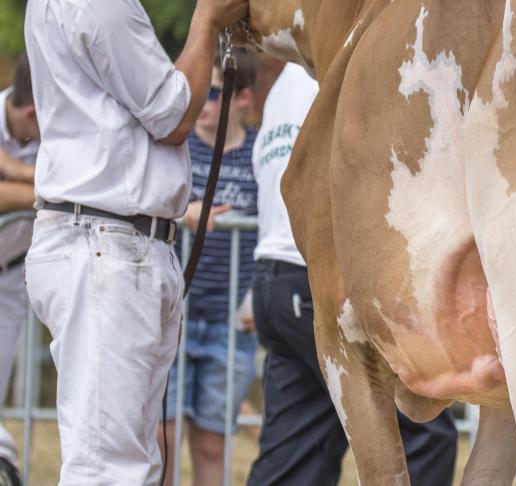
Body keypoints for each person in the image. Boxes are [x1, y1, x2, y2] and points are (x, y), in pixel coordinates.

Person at [23, 0, 247, 483]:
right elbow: (172, 115)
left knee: (128, 461)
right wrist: (206, 19)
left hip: (113, 241)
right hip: (108, 243)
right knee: (111, 467)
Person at [246, 62, 459, 486]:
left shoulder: (285, 84)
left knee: (298, 446)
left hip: (274, 274)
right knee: (418, 424)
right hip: (321, 274)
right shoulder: (346, 64)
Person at [157, 49, 259, 486]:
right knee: (162, 436)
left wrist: (254, 299)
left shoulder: (259, 153)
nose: (206, 103)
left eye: (216, 92)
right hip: (172, 314)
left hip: (231, 322)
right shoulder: (177, 147)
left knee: (212, 443)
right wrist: (185, 213)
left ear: (243, 99)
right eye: (201, 92)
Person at [0, 55, 39, 486]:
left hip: (9, 279)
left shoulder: (55, 129)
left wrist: (12, 174)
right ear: (32, 112)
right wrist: (39, 181)